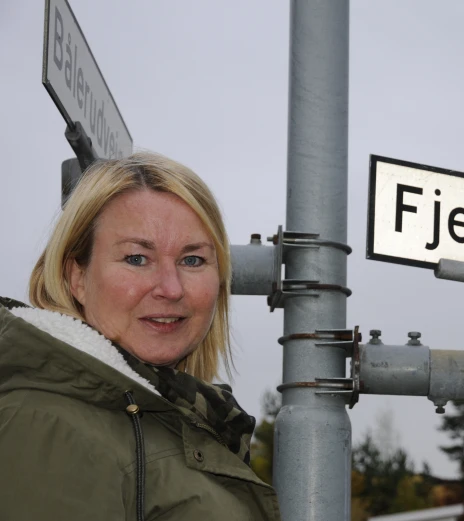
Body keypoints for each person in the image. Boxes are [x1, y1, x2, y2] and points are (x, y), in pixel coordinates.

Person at [0, 152, 281, 520]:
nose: (171, 288)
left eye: (192, 260)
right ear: (77, 278)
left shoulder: (172, 420)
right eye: (136, 258)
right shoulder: (44, 423)